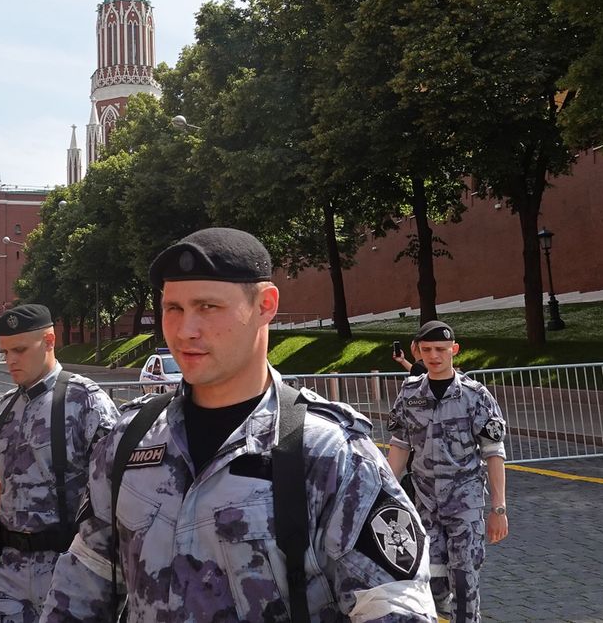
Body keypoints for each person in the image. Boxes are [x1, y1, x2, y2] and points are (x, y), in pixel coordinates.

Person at [41, 228, 436, 622]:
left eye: (208, 307)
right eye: (172, 308)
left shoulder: (329, 453)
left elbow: (392, 607)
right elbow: (84, 579)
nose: (184, 331)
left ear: (266, 304)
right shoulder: (128, 439)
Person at [0, 304, 119, 622]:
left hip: (67, 568)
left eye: (20, 350)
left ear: (50, 340)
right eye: (5, 352)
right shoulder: (7, 407)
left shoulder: (86, 402)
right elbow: (3, 483)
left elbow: (117, 493)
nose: (11, 360)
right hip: (8, 570)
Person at [386, 321, 508, 623]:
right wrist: (386, 493)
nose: (434, 356)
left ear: (454, 350)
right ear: (418, 352)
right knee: (430, 580)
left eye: (441, 349)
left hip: (465, 502)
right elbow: (400, 446)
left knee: (465, 580)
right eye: (427, 350)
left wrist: (499, 508)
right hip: (424, 503)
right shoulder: (410, 393)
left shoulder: (475, 396)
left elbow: (493, 453)